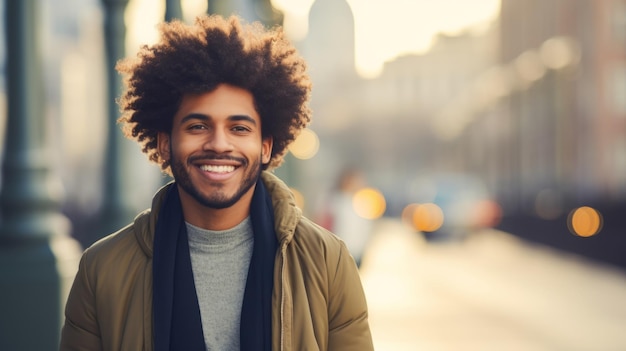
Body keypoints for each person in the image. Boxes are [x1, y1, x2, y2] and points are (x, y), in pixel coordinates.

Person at [60, 14, 373, 351]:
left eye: (239, 128)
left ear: (266, 146)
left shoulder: (328, 262)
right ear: (165, 143)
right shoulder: (102, 271)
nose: (219, 144)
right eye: (198, 126)